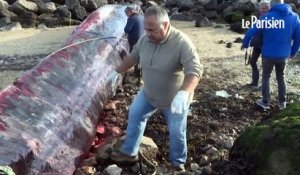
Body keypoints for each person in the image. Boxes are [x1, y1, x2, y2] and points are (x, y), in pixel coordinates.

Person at [109, 5, 203, 171]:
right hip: (149, 93)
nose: (148, 33)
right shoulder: (145, 40)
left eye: (152, 30)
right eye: (146, 29)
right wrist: (115, 72)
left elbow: (194, 71)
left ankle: (177, 162)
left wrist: (184, 93)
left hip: (174, 99)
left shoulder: (182, 43)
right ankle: (129, 152)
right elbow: (133, 58)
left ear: (165, 25)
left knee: (176, 132)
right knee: (135, 114)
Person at [242, 0, 300, 110]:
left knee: (266, 77)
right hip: (284, 54)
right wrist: (293, 52)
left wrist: (245, 44)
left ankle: (265, 102)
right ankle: (282, 103)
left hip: (268, 54)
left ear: (271, 5)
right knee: (281, 77)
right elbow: (298, 37)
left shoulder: (266, 17)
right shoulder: (294, 17)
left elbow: (251, 31)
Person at [245, 1, 270, 88]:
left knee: (265, 66)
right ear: (259, 9)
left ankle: (264, 85)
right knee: (252, 62)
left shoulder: (270, 18)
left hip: (265, 46)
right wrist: (251, 41)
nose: (262, 10)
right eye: (261, 8)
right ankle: (255, 82)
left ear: (268, 9)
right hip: (256, 45)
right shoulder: (258, 17)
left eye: (264, 8)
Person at [124, 6, 145, 76]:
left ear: (129, 12)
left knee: (134, 55)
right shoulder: (142, 17)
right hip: (143, 39)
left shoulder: (131, 19)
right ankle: (141, 71)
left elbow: (127, 30)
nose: (126, 15)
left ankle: (136, 71)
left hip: (134, 40)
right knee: (141, 55)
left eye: (126, 13)